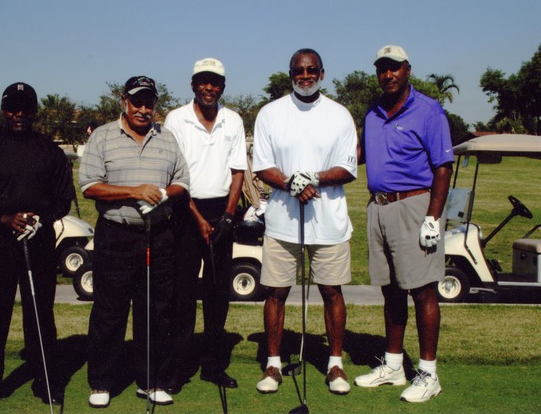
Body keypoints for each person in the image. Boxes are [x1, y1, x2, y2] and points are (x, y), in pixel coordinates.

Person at [0, 82, 75, 410]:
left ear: (34, 111)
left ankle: (46, 383)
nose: (19, 114)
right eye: (13, 107)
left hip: (38, 243)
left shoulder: (50, 152)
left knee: (40, 317)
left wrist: (42, 219)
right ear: (4, 110)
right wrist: (4, 219)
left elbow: (63, 200)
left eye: (26, 108)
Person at [252, 48, 358, 396]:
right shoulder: (270, 113)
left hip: (328, 222)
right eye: (299, 70)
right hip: (283, 221)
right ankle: (273, 363)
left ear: (322, 74)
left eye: (312, 70)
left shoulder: (340, 115)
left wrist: (310, 176)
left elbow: (348, 168)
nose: (306, 75)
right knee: (277, 292)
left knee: (331, 291)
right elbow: (263, 165)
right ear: (291, 74)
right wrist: (288, 182)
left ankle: (335, 364)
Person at [79, 76, 190, 408]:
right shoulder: (103, 136)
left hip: (158, 235)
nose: (143, 109)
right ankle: (102, 381)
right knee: (109, 312)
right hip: (116, 235)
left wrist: (164, 194)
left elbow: (183, 181)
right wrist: (134, 191)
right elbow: (89, 186)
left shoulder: (167, 138)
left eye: (149, 103)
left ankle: (151, 380)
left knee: (156, 311)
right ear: (124, 102)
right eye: (137, 102)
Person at [354, 45, 453, 403]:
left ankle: (428, 373)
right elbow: (360, 154)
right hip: (378, 208)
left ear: (407, 70)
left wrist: (433, 217)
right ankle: (394, 366)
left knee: (423, 290)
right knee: (391, 289)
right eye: (382, 69)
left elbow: (443, 166)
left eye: (394, 68)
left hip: (414, 206)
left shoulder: (428, 110)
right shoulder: (373, 112)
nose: (388, 74)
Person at [163, 58, 247, 394]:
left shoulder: (233, 120)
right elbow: (175, 176)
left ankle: (213, 366)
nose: (209, 87)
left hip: (222, 212)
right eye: (203, 81)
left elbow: (238, 172)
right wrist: (198, 220)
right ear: (193, 85)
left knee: (217, 294)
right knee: (182, 295)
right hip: (186, 209)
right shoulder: (176, 119)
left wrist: (227, 216)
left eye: (215, 82)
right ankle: (179, 368)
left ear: (222, 87)